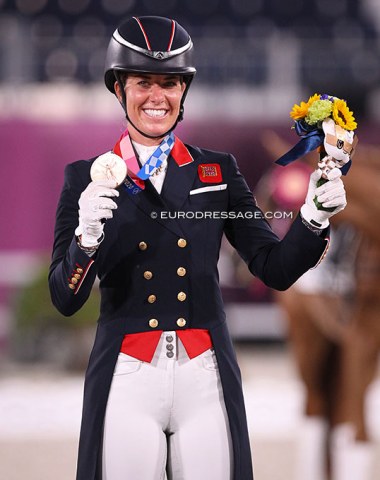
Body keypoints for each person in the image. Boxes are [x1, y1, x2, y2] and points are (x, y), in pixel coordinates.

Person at [48, 15, 348, 480]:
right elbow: (65, 299)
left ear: (183, 91)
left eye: (169, 83)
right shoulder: (85, 177)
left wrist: (312, 218)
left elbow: (273, 268)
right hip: (127, 373)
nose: (157, 96)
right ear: (119, 89)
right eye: (143, 82)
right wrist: (86, 238)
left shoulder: (218, 171)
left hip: (205, 372)